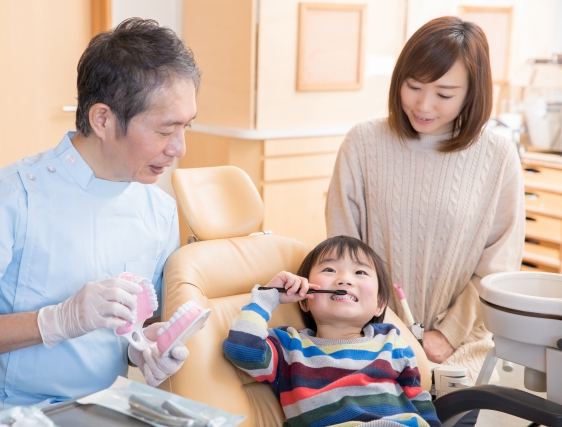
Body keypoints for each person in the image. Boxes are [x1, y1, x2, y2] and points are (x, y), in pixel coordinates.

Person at [0, 18, 199, 427]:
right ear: (103, 119)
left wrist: (146, 345)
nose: (179, 149)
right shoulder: (7, 198)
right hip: (3, 415)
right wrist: (54, 321)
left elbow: (133, 325)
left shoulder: (157, 208)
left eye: (186, 127)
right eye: (165, 130)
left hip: (103, 412)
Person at [326, 16, 524, 426]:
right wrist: (386, 328)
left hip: (455, 354)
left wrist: (446, 335)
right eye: (413, 86)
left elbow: (497, 268)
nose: (423, 104)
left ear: (472, 93)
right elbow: (343, 250)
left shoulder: (498, 156)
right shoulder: (363, 143)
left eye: (444, 93)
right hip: (368, 345)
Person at [223, 236, 441, 427]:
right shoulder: (289, 348)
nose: (344, 279)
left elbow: (420, 401)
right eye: (329, 270)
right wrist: (268, 296)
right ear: (304, 300)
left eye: (360, 272)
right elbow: (242, 348)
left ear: (379, 304)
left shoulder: (392, 342)